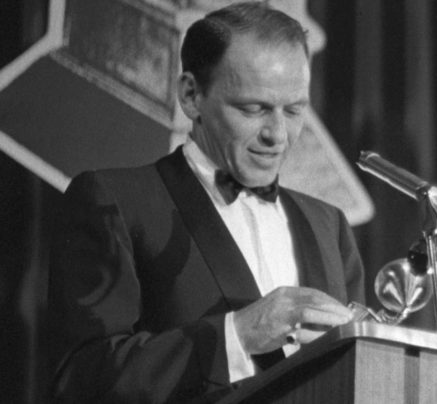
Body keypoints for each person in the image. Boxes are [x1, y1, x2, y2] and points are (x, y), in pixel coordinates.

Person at [47, 3, 365, 402]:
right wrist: (238, 335)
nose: (278, 135)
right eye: (254, 108)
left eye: (294, 110)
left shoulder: (329, 224)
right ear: (191, 95)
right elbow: (81, 378)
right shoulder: (115, 202)